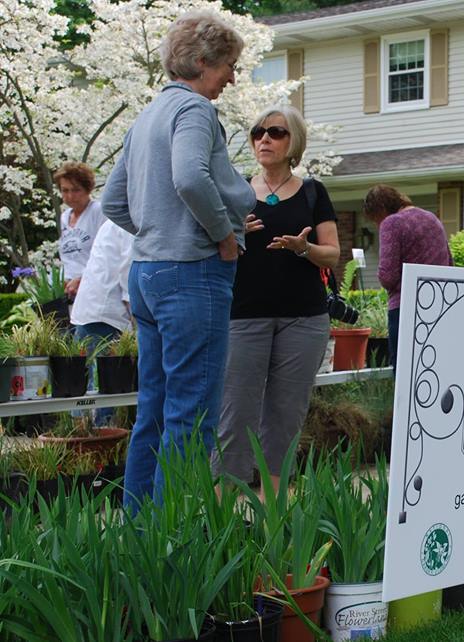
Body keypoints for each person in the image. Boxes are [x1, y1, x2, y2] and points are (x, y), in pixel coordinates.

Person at [100, 11, 255, 510]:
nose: (232, 76)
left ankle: (138, 535)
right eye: (229, 64)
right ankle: (175, 546)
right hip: (193, 273)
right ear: (203, 61)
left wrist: (155, 230)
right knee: (192, 416)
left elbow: (112, 202)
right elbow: (190, 177)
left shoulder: (145, 118)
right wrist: (222, 238)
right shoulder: (194, 111)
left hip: (148, 274)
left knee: (155, 410)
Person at [211, 105, 339, 490]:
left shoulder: (313, 192)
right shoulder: (233, 189)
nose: (264, 138)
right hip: (243, 317)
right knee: (234, 416)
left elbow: (332, 253)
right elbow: (211, 249)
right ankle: (223, 519)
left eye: (276, 132)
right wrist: (234, 236)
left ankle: (272, 515)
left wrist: (304, 248)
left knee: (284, 417)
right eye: (258, 131)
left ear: (294, 141)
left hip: (303, 320)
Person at [362, 185, 452, 367]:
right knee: (434, 368)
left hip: (405, 308)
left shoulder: (392, 222)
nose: (376, 224)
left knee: (405, 369)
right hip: (440, 306)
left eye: (374, 219)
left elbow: (388, 276)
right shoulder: (432, 218)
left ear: (380, 209)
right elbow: (450, 262)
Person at [70, 220, 134, 426]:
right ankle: (100, 445)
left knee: (83, 385)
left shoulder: (112, 222)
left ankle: (83, 444)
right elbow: (128, 268)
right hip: (105, 312)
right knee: (104, 387)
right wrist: (135, 316)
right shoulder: (128, 222)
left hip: (93, 309)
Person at [54, 162, 106, 300]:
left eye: (76, 190)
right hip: (68, 289)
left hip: (93, 287)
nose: (70, 196)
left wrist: (82, 279)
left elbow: (106, 254)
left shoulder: (98, 212)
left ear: (87, 189)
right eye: (65, 190)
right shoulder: (65, 217)